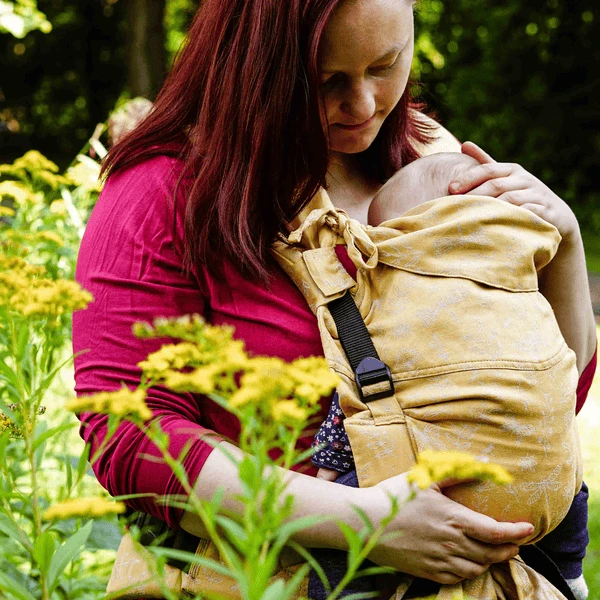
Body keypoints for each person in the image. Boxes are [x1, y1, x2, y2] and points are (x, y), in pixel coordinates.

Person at [72, 0, 597, 596]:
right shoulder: (161, 190)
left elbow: (539, 397)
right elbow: (132, 437)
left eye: (386, 65)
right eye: (327, 81)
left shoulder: (428, 158)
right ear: (255, 63)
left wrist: (565, 244)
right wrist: (363, 522)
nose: (365, 105)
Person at [303, 151, 589, 599]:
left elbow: (358, 390)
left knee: (335, 540)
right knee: (571, 482)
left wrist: (332, 465)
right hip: (547, 486)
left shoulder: (396, 301)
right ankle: (568, 571)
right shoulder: (518, 285)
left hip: (437, 482)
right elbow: (562, 376)